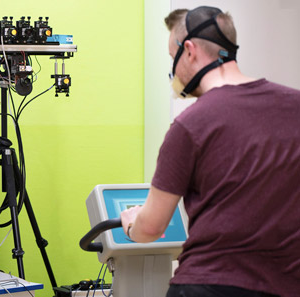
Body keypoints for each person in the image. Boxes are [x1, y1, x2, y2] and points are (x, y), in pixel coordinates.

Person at [120, 6, 300, 297]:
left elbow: (151, 227)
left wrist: (131, 224)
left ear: (188, 51)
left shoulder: (191, 123)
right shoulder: (295, 106)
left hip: (209, 284)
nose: (173, 70)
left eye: (172, 58)